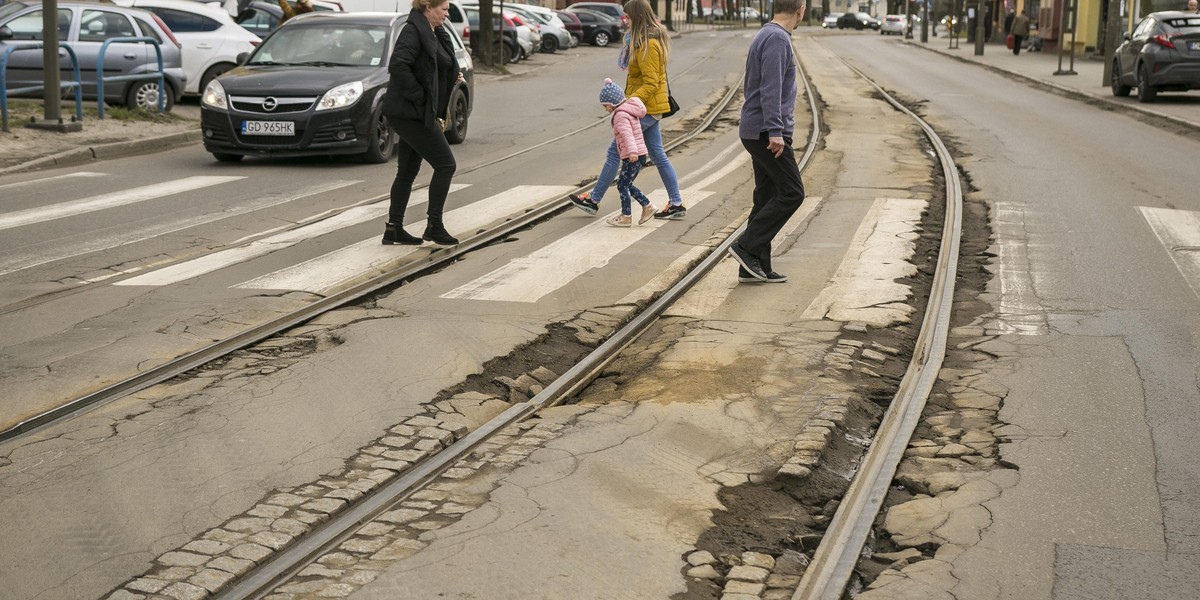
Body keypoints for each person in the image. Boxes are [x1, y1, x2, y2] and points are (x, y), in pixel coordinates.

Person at [568, 0, 687, 221]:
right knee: (658, 153)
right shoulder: (640, 41)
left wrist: (627, 104)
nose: (626, 20)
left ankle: (593, 200)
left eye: (629, 17)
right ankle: (676, 202)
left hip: (645, 108)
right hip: (646, 107)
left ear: (638, 17)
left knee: (616, 151)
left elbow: (651, 83)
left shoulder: (649, 45)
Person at [729, 0, 807, 284]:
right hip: (766, 133)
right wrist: (776, 131)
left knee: (766, 196)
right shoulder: (777, 39)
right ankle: (746, 247)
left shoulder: (769, 34)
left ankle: (754, 266)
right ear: (801, 8)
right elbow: (770, 89)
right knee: (792, 193)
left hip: (758, 130)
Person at [379, 0, 464, 246]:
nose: (447, 14)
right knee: (446, 165)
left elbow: (432, 65)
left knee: (407, 170)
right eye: (444, 9)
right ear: (428, 7)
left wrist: (450, 74)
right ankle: (434, 225)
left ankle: (394, 228)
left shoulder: (435, 32)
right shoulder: (413, 31)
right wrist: (422, 96)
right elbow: (399, 66)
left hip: (415, 112)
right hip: (410, 112)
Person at [598, 78, 657, 227]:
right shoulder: (628, 110)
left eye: (605, 105)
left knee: (622, 184)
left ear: (612, 103)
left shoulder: (620, 115)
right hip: (638, 154)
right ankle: (646, 206)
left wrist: (631, 152)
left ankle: (627, 215)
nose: (605, 109)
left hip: (633, 155)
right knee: (625, 183)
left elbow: (627, 135)